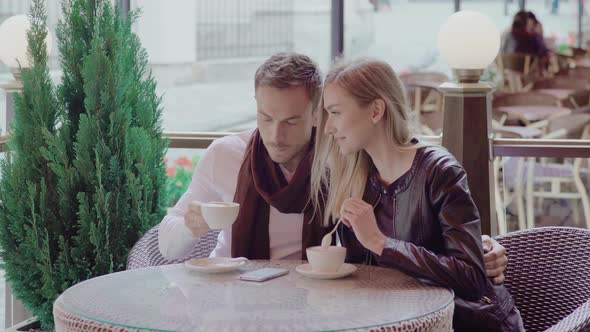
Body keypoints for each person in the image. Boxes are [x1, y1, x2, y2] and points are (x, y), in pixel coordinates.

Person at [157, 52, 508, 285]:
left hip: (320, 301)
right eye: (265, 118)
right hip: (234, 297)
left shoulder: (341, 161)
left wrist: (481, 246)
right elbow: (167, 246)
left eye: (292, 121)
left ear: (315, 115)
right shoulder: (227, 155)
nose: (275, 136)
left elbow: (410, 226)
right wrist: (191, 225)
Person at [310, 58, 523, 331]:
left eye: (336, 113)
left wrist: (379, 242)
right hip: (399, 322)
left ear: (376, 110)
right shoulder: (357, 179)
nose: (328, 128)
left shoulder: (439, 171)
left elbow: (471, 279)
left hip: (468, 323)